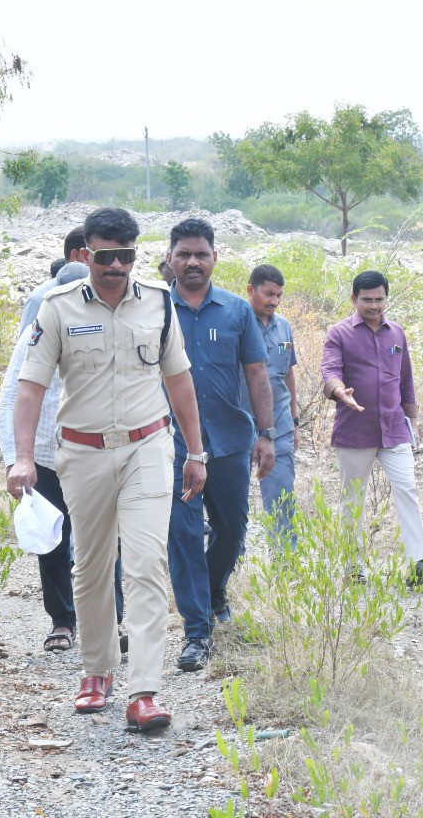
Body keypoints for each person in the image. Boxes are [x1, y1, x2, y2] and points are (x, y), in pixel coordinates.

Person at [7, 207, 207, 734]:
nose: (116, 265)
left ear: (136, 255)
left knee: (144, 564)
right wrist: (22, 456)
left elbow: (180, 381)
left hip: (147, 448)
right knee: (92, 568)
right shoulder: (57, 308)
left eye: (125, 255)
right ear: (86, 254)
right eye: (105, 255)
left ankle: (144, 692)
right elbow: (32, 385)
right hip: (83, 454)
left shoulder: (158, 306)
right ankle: (97, 671)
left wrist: (196, 452)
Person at [165, 219, 276, 672]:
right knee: (184, 535)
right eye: (184, 253)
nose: (193, 261)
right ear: (170, 257)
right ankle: (197, 632)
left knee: (232, 532)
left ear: (215, 258)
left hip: (229, 442)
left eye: (201, 254)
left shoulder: (236, 310)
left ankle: (213, 591)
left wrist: (267, 434)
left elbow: (256, 373)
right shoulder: (154, 310)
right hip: (170, 445)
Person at [0, 261, 125, 654]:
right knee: (53, 540)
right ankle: (63, 622)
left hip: (97, 453)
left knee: (105, 541)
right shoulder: (35, 334)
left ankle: (111, 621)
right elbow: (10, 400)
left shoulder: (109, 329)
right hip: (44, 456)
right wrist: (15, 459)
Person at [320, 270, 423, 585]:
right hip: (354, 429)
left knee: (407, 489)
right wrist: (339, 391)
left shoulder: (397, 333)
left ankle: (419, 564)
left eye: (380, 299)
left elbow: (406, 380)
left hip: (394, 428)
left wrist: (412, 419)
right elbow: (329, 371)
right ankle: (353, 568)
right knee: (353, 498)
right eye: (367, 300)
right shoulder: (339, 333)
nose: (374, 306)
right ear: (354, 299)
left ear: (387, 298)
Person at [246, 264, 300, 551]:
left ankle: (286, 565)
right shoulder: (237, 322)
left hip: (279, 424)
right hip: (241, 425)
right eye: (268, 294)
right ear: (250, 290)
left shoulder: (284, 326)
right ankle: (231, 567)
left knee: (282, 497)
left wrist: (294, 419)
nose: (274, 301)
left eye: (279, 295)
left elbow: (288, 374)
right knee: (234, 502)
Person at [19, 226, 86, 333]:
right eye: (98, 255)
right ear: (76, 256)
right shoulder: (41, 298)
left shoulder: (109, 295)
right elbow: (27, 347)